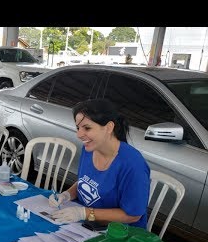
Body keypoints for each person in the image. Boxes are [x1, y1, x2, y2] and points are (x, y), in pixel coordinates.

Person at [48, 98, 150, 229]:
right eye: (78, 128)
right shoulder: (89, 148)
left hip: (120, 235)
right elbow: (85, 182)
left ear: (108, 127)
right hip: (87, 225)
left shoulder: (133, 165)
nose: (79, 134)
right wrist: (66, 195)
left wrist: (84, 213)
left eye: (87, 128)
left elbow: (133, 215)